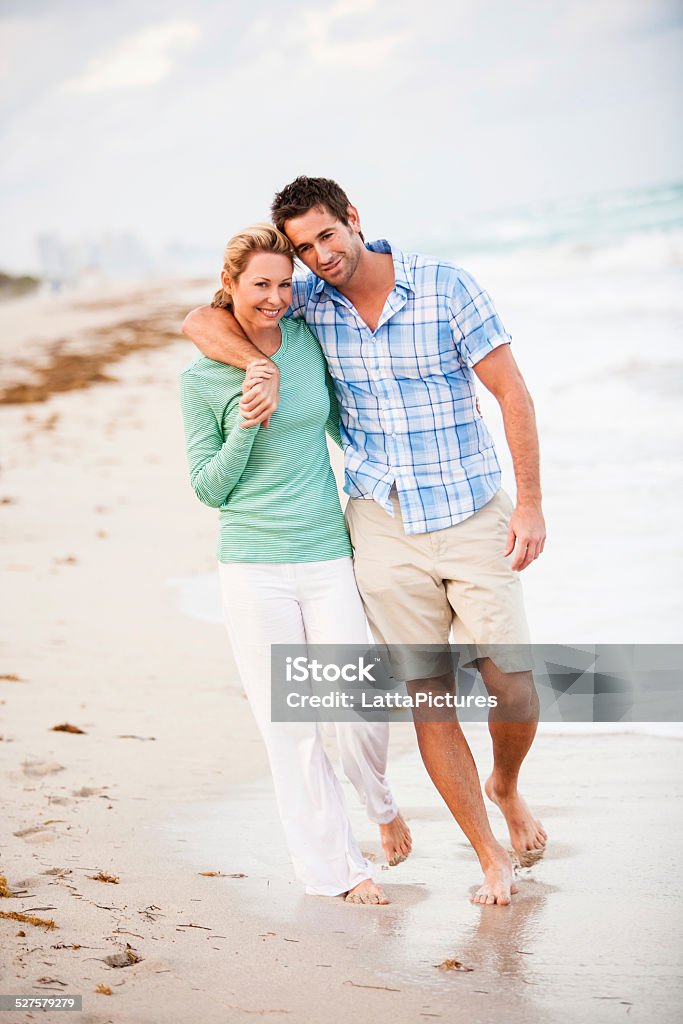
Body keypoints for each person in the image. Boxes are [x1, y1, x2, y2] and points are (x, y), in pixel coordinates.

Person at [183, 179, 548, 907]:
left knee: (509, 677)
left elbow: (511, 391)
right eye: (302, 249)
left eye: (326, 237)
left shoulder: (436, 287)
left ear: (353, 220)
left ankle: (502, 784)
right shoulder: (305, 303)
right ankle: (481, 860)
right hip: (376, 523)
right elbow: (200, 319)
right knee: (422, 693)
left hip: (465, 508)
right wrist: (252, 372)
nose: (317, 258)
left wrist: (531, 504)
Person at [179, 223, 411, 905]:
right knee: (294, 731)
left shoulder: (307, 343)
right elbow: (207, 489)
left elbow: (343, 424)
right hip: (254, 568)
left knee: (360, 706)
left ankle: (381, 803)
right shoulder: (199, 379)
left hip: (325, 555)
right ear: (229, 287)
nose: (276, 297)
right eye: (260, 285)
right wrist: (247, 422)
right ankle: (335, 873)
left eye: (284, 284)